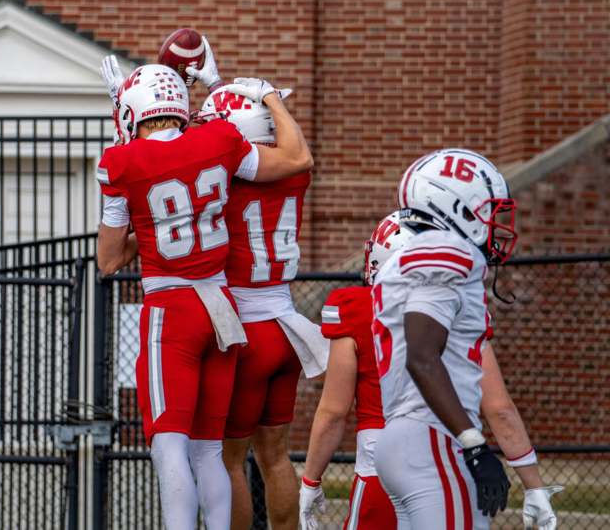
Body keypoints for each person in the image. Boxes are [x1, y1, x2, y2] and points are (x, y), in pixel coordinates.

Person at [96, 59, 313, 530]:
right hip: (224, 311)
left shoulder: (120, 161)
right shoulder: (219, 144)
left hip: (172, 309)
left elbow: (109, 259)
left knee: (169, 445)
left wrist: (121, 128)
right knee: (212, 450)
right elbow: (262, 147)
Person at [300, 210, 563, 529]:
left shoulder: (356, 306)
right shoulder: (462, 305)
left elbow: (333, 412)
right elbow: (499, 408)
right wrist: (533, 484)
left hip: (379, 463)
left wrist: (311, 481)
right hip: (442, 456)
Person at [191, 75, 329, 530]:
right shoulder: (295, 172)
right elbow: (289, 146)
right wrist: (251, 94)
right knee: (274, 456)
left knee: (229, 460)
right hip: (284, 326)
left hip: (244, 330)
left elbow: (186, 149)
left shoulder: (223, 175)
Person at [372, 148, 518, 529]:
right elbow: (421, 356)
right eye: (487, 211)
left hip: (402, 436)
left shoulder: (409, 254)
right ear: (458, 206)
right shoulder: (447, 250)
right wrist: (473, 445)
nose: (493, 223)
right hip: (434, 438)